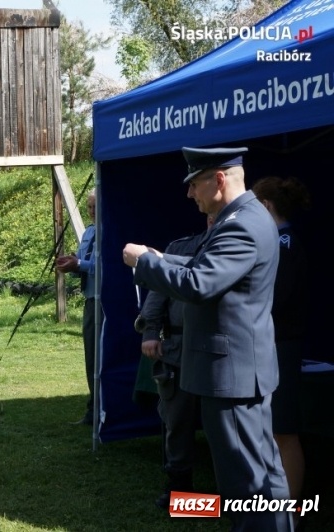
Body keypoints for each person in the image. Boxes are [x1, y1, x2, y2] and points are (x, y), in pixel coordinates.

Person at [122, 147, 292, 531]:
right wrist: (162, 257)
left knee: (245, 484)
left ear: (218, 179)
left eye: (194, 184)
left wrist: (145, 263)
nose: (189, 194)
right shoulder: (249, 217)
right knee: (265, 475)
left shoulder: (239, 225)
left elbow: (200, 283)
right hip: (242, 370)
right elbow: (207, 267)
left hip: (231, 375)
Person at [138, 215, 212, 510]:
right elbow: (158, 293)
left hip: (218, 353)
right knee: (177, 419)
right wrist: (151, 332)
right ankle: (180, 491)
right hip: (179, 349)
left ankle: (236, 492)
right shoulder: (181, 248)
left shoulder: (235, 247)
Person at [252, 176, 311, 509]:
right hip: (270, 346)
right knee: (268, 432)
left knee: (284, 432)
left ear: (264, 206)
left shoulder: (284, 244)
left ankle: (290, 514)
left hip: (281, 347)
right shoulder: (277, 241)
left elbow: (274, 300)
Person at [56, 188, 102, 426]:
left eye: (96, 206)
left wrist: (80, 263)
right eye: (89, 207)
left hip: (105, 302)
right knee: (90, 358)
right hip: (89, 300)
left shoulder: (112, 231)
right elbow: (85, 265)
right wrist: (71, 264)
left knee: (102, 357)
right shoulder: (88, 233)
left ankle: (102, 410)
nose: (93, 212)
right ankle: (92, 409)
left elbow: (104, 266)